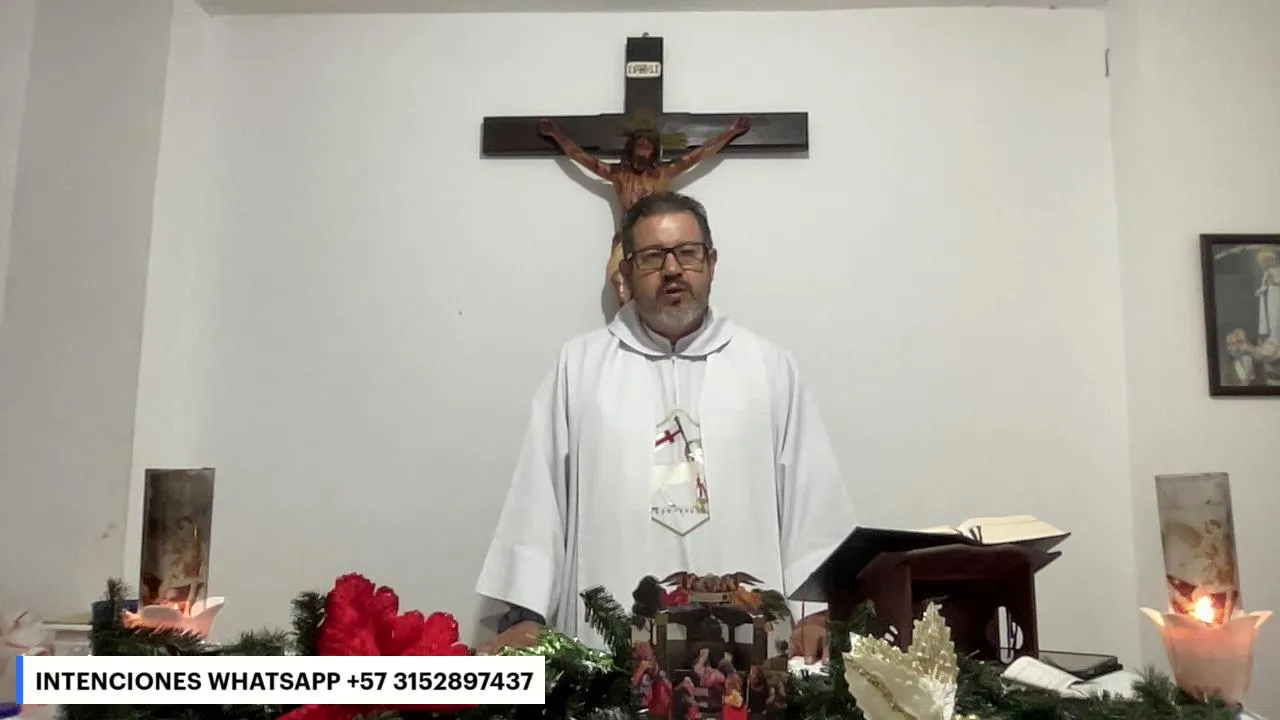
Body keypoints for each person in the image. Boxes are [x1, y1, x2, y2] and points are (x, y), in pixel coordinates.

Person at [474, 192, 856, 661]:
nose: (672, 269)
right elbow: (540, 494)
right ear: (627, 271)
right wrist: (528, 615)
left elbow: (810, 499)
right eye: (653, 257)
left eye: (687, 253)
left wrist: (814, 612)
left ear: (711, 263)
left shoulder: (768, 368)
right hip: (609, 648)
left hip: (751, 653)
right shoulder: (579, 367)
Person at [538, 116, 751, 307]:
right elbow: (579, 156)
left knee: (658, 284)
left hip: (656, 239)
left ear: (654, 150)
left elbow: (699, 154)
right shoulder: (618, 174)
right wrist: (556, 135)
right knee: (619, 281)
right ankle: (628, 322)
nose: (643, 148)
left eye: (648, 145)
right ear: (631, 147)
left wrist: (730, 132)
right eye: (640, 144)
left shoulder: (663, 173)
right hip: (626, 239)